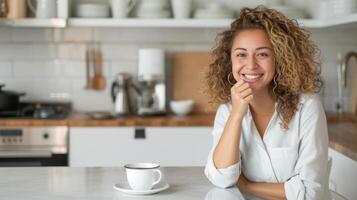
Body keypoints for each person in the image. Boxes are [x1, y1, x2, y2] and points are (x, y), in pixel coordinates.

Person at [204, 6, 330, 200]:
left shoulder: (307, 106)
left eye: (262, 54)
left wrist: (247, 186)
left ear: (279, 59)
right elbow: (221, 178)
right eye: (241, 54)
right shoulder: (228, 110)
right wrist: (237, 114)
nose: (251, 65)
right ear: (230, 60)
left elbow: (310, 193)